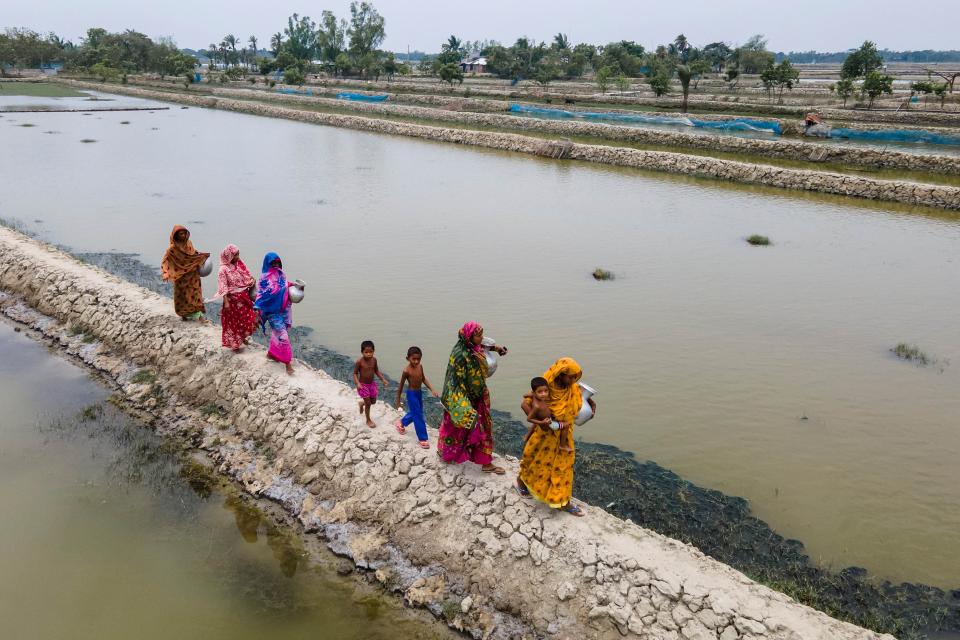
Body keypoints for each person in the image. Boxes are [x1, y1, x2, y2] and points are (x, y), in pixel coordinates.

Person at [516, 357, 596, 516]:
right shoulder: (544, 386)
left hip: (564, 435)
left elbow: (579, 400)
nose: (574, 380)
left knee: (564, 465)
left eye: (576, 377)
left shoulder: (571, 388)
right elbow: (525, 403)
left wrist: (591, 405)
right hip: (546, 434)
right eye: (571, 377)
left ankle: (562, 501)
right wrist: (540, 423)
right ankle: (521, 482)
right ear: (560, 374)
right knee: (535, 461)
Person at [437, 321, 508, 474]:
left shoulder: (474, 346)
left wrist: (498, 349)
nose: (481, 338)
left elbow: (484, 346)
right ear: (469, 336)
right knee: (455, 426)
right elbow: (453, 380)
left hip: (479, 395)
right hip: (462, 396)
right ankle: (448, 453)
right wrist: (463, 404)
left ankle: (485, 462)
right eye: (478, 335)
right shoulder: (459, 354)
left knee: (484, 426)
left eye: (482, 334)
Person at [208, 244, 256, 352]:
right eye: (235, 255)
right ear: (229, 256)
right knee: (234, 323)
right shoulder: (223, 270)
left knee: (248, 318)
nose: (238, 257)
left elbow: (245, 276)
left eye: (238, 254)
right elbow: (223, 286)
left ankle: (242, 337)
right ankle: (235, 343)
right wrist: (226, 302)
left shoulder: (239, 265)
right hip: (232, 300)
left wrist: (251, 281)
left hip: (244, 298)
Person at [254, 252, 295, 375]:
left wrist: (295, 286)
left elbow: (285, 285)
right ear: (267, 263)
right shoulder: (264, 278)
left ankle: (271, 354)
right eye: (273, 263)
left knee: (279, 333)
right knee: (283, 336)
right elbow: (261, 294)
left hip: (283, 310)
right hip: (272, 313)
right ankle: (288, 364)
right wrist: (256, 309)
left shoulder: (281, 274)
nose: (276, 265)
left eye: (278, 262)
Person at [160, 225, 210, 323]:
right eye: (181, 234)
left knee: (196, 295)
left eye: (184, 233)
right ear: (176, 235)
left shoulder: (189, 243)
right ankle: (184, 315)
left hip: (193, 275)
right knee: (182, 297)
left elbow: (193, 254)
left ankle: (200, 317)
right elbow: (165, 261)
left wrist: (202, 256)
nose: (183, 236)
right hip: (180, 276)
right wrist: (165, 273)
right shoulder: (172, 249)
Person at [394, 346, 439, 448]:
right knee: (418, 415)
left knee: (416, 412)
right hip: (411, 394)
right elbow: (400, 386)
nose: (416, 361)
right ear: (408, 358)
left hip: (419, 392)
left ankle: (402, 422)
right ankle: (422, 438)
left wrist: (432, 389)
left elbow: (423, 379)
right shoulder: (406, 371)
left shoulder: (420, 366)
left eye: (418, 359)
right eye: (413, 359)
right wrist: (398, 400)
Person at [354, 340, 388, 428]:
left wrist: (383, 379)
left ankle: (362, 404)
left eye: (371, 352)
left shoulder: (374, 360)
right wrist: (357, 383)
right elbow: (355, 373)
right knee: (368, 404)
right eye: (366, 352)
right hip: (363, 385)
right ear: (362, 352)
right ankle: (368, 420)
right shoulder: (359, 362)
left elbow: (376, 371)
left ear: (374, 351)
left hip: (371, 385)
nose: (368, 354)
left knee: (373, 401)